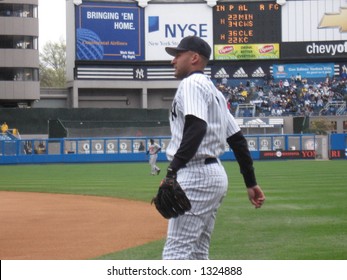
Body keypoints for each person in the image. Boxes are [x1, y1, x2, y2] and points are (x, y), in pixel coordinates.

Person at [161, 36, 265, 260]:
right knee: (198, 253)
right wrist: (251, 182)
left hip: (196, 173)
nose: (173, 61)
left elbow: (196, 126)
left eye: (178, 55)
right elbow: (237, 139)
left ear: (194, 58)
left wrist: (172, 170)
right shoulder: (215, 92)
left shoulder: (191, 83)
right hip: (213, 175)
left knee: (175, 253)